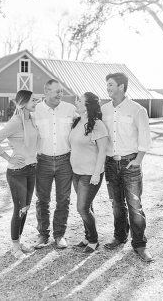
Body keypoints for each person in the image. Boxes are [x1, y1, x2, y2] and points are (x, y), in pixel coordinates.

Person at [101, 72, 153, 262]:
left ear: (122, 87)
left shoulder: (137, 109)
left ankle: (140, 244)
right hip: (110, 163)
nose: (108, 88)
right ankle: (120, 236)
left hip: (130, 162)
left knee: (135, 205)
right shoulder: (104, 109)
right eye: (107, 84)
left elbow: (144, 138)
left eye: (111, 84)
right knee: (116, 204)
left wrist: (138, 160)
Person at [0, 90, 41, 258]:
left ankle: (18, 241)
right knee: (19, 209)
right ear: (24, 102)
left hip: (31, 169)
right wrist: (9, 158)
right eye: (33, 100)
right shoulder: (16, 121)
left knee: (25, 208)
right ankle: (14, 247)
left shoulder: (31, 119)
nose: (36, 102)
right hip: (17, 172)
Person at [33, 79, 76, 249]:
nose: (60, 94)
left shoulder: (70, 109)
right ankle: (43, 235)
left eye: (62, 91)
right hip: (42, 161)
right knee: (42, 200)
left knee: (63, 200)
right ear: (46, 91)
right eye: (57, 91)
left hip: (65, 160)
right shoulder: (35, 110)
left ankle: (59, 235)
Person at [68, 92, 108, 253]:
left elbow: (102, 150)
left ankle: (93, 240)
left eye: (80, 101)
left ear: (88, 106)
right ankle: (87, 236)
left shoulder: (97, 125)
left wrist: (96, 174)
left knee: (82, 208)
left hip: (90, 173)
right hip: (76, 172)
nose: (76, 103)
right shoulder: (77, 122)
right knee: (87, 206)